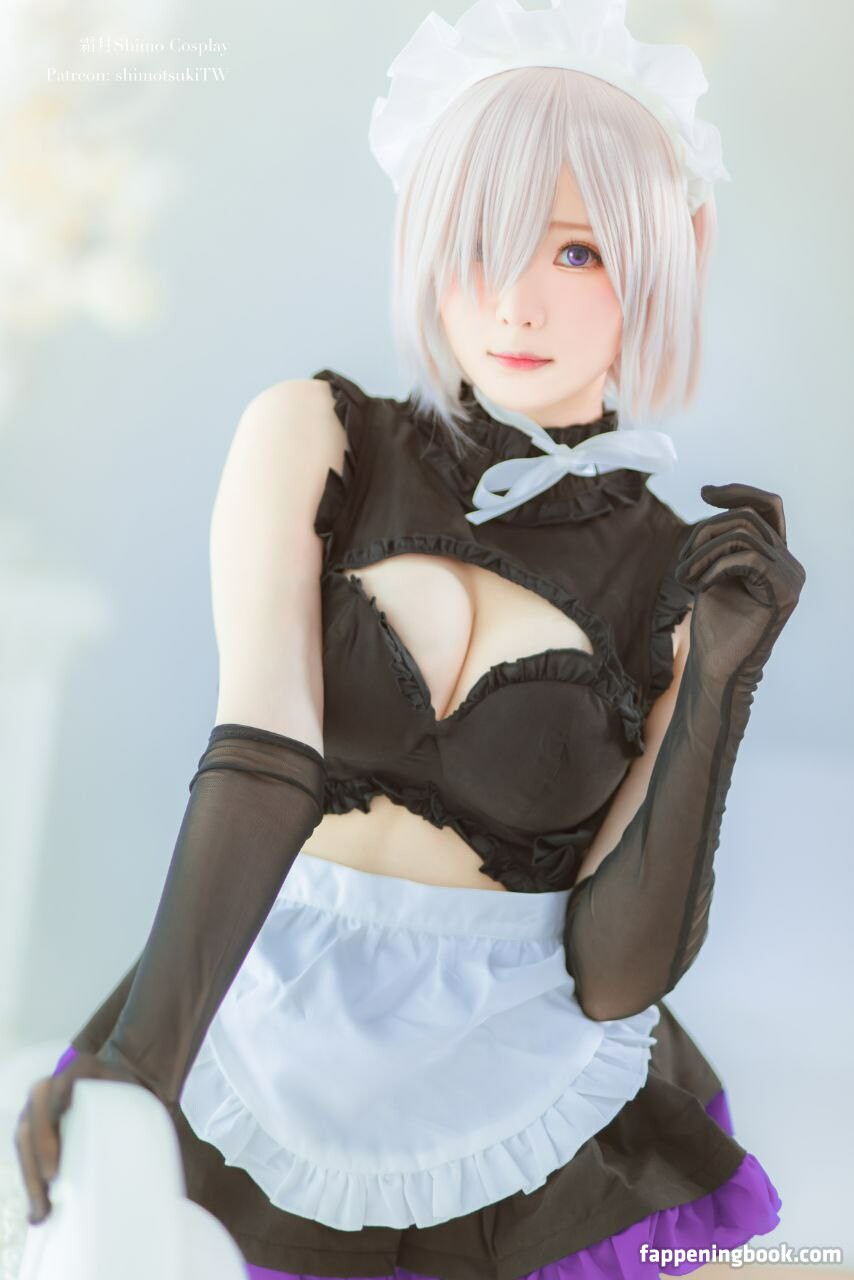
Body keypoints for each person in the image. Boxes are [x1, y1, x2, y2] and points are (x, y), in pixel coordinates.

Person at [14, 1, 806, 1277]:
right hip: (252, 1018)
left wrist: (719, 679)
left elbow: (612, 976)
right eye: (477, 239)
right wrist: (139, 1067)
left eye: (576, 252)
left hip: (520, 1090)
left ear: (670, 254)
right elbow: (260, 753)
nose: (513, 300)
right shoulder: (316, 435)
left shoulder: (675, 574)